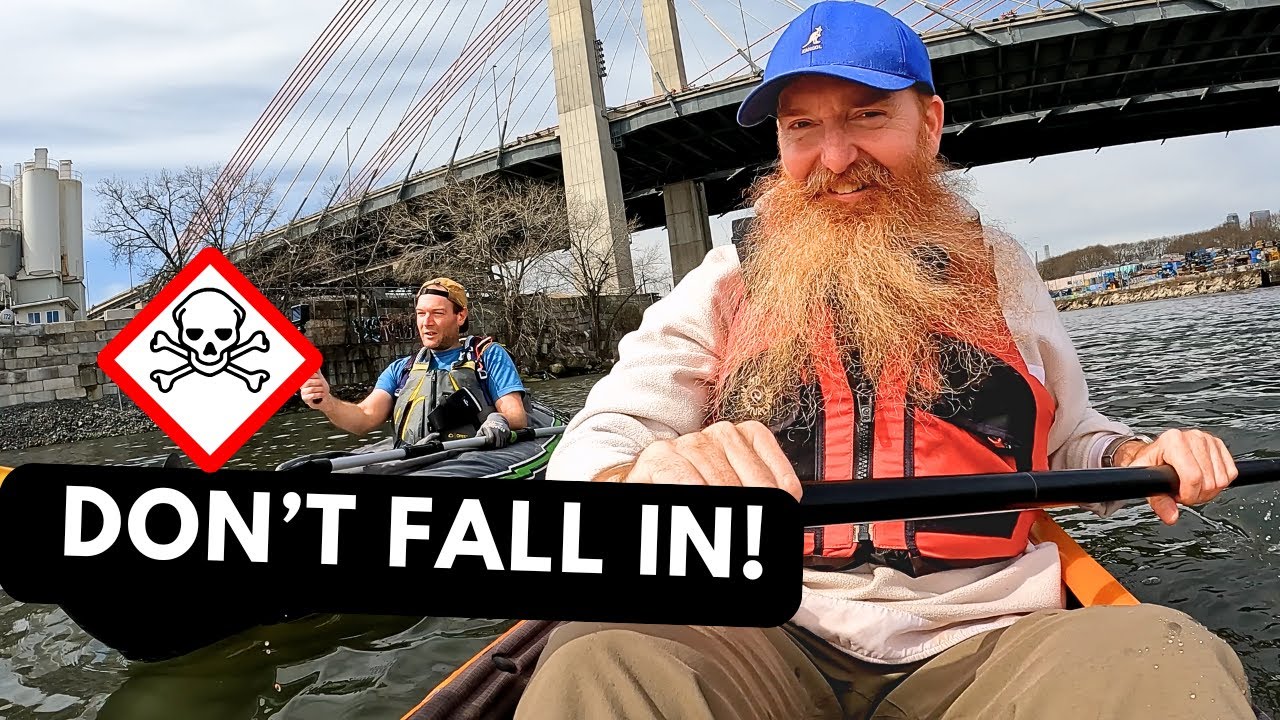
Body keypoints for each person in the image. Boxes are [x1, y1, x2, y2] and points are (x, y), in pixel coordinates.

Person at [513, 2, 1259, 719]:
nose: (835, 159)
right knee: (598, 657)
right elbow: (594, 446)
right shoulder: (724, 280)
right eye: (802, 126)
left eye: (868, 115)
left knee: (1168, 654)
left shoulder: (997, 269)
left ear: (929, 123)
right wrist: (643, 473)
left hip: (985, 637)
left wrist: (1140, 452)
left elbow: (1068, 439)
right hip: (757, 630)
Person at [300, 277, 528, 450]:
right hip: (412, 457)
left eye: (437, 313)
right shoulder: (401, 369)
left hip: (468, 458)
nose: (426, 322)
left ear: (460, 316)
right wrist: (327, 402)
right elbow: (364, 418)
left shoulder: (487, 356)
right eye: (421, 313)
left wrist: (499, 419)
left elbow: (515, 414)